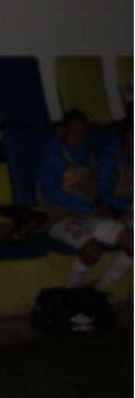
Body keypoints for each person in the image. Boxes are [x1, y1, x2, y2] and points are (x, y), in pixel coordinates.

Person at [39, 109, 132, 291]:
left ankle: (99, 290)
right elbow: (53, 195)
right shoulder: (51, 158)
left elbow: (98, 190)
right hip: (62, 219)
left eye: (82, 131)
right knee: (92, 249)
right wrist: (89, 207)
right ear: (63, 131)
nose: (79, 136)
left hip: (91, 216)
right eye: (74, 131)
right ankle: (73, 294)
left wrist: (101, 206)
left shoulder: (89, 156)